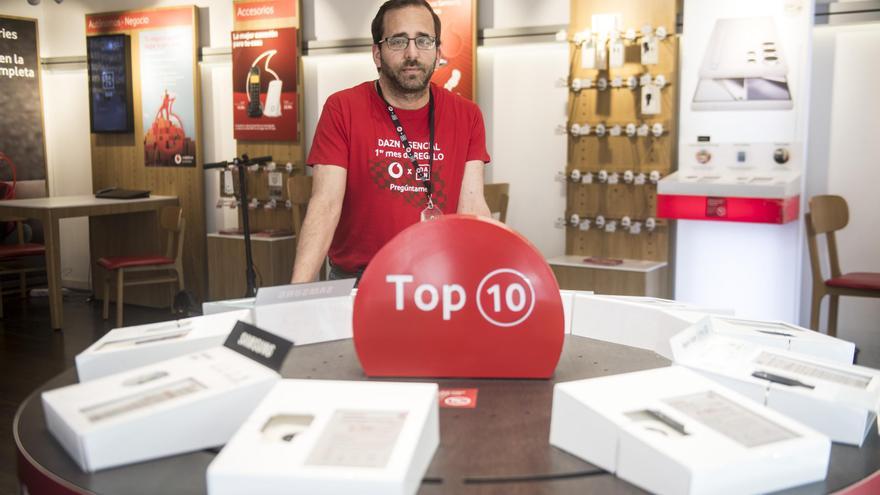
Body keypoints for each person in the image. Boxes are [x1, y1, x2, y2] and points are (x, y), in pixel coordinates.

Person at [290, 0, 491, 283]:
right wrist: (297, 294)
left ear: (437, 51)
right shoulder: (343, 108)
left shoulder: (467, 115)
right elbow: (325, 203)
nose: (412, 53)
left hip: (437, 279)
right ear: (377, 53)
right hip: (359, 279)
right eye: (398, 41)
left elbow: (471, 206)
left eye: (423, 40)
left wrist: (483, 280)